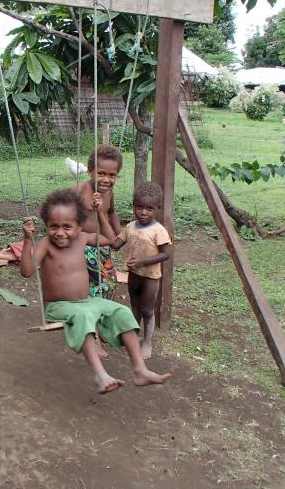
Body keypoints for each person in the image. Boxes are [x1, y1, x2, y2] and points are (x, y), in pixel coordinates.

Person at [20, 189, 172, 394]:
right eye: (54, 226)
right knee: (83, 316)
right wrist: (28, 240)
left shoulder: (82, 238)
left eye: (67, 226)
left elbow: (113, 241)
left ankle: (140, 370)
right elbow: (27, 272)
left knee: (122, 311)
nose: (60, 232)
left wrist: (101, 212)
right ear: (46, 226)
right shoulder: (46, 244)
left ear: (79, 226)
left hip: (85, 301)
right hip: (58, 307)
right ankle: (101, 375)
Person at [97, 181, 172, 360]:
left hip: (150, 278)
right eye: (139, 207)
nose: (143, 212)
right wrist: (99, 217)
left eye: (149, 208)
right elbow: (115, 243)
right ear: (134, 206)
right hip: (134, 275)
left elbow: (166, 254)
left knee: (147, 310)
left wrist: (143, 261)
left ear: (157, 209)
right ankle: (134, 337)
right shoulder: (130, 227)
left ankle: (147, 342)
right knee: (135, 307)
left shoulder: (158, 230)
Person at [71, 144, 123, 300]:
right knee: (93, 283)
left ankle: (104, 311)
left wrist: (120, 234)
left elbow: (111, 212)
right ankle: (89, 312)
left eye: (112, 175)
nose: (106, 180)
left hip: (103, 245)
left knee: (110, 282)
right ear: (90, 170)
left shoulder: (109, 192)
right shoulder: (78, 192)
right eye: (101, 173)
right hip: (84, 248)